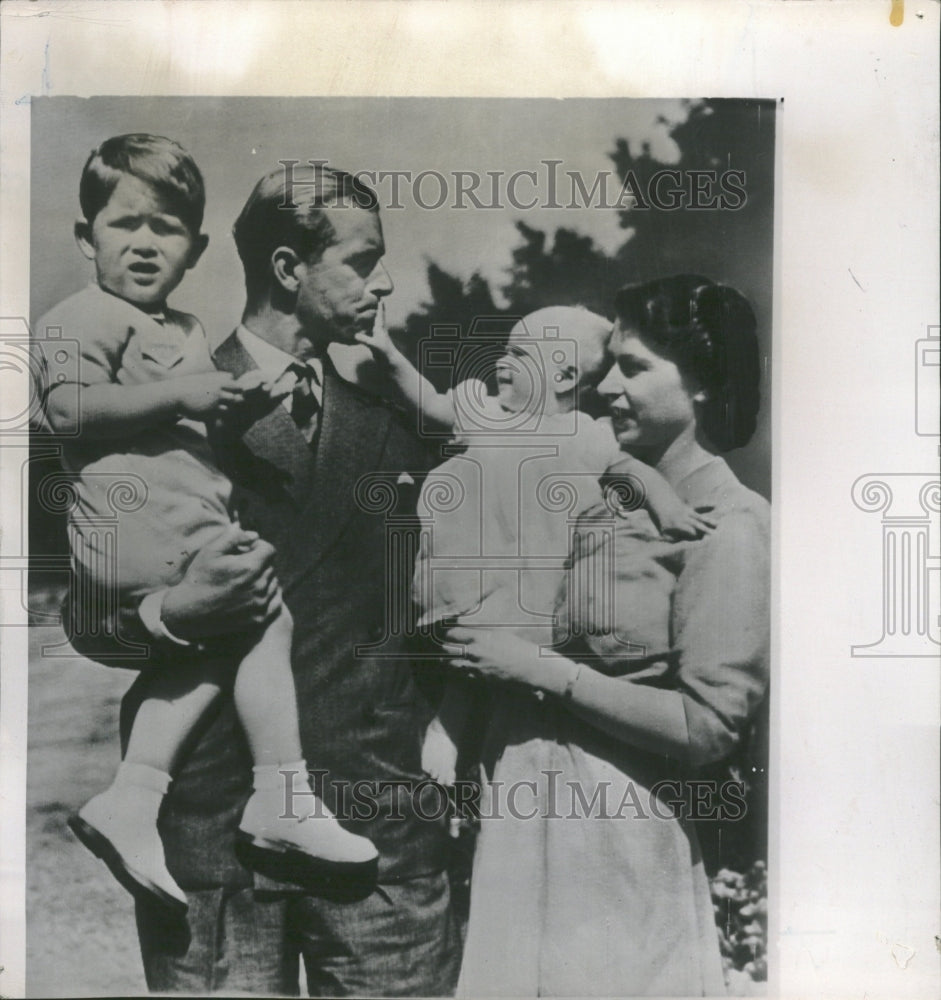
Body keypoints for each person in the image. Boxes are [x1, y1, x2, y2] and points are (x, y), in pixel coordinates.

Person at [65, 163, 460, 996]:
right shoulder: (162, 400)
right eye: (361, 260)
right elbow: (87, 613)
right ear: (288, 269)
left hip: (376, 836)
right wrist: (172, 614)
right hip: (213, 843)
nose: (382, 281)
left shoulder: (398, 424)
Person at [38, 134, 378, 915]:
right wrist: (183, 396)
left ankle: (133, 794)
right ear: (87, 237)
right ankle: (279, 796)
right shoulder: (81, 315)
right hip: (135, 530)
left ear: (194, 250)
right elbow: (67, 409)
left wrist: (233, 402)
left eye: (166, 229)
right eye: (126, 225)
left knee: (240, 634)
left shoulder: (183, 331)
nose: (145, 244)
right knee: (260, 619)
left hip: (180, 523)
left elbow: (196, 427)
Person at [440, 275, 770, 996]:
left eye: (635, 367)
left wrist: (540, 669)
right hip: (519, 820)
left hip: (617, 841)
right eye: (608, 364)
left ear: (705, 385)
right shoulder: (590, 487)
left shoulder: (727, 523)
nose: (606, 387)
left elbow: (708, 727)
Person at [359, 305, 715, 784]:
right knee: (464, 650)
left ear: (564, 375)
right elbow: (432, 403)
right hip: (473, 566)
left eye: (520, 353)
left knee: (510, 669)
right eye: (505, 349)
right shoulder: (488, 414)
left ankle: (469, 757)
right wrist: (387, 354)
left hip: (537, 579)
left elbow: (632, 472)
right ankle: (447, 730)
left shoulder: (587, 436)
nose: (502, 361)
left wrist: (667, 505)